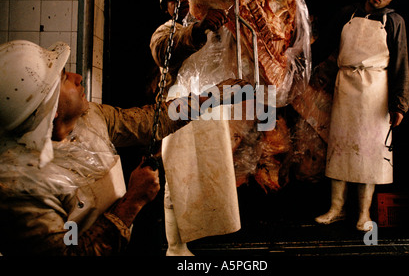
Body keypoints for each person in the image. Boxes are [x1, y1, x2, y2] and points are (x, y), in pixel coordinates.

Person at [0, 39, 244, 255]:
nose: (78, 77)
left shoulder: (89, 117)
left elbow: (150, 121)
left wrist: (212, 97)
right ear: (50, 110)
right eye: (65, 78)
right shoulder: (21, 187)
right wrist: (132, 202)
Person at [150, 0, 240, 256]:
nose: (179, 3)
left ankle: (201, 235)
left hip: (212, 107)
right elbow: (166, 50)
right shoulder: (163, 32)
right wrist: (200, 29)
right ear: (166, 8)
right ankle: (175, 247)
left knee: (213, 173)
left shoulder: (216, 30)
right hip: (177, 109)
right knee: (178, 175)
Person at [312, 0, 409, 231]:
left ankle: (364, 214)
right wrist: (298, 63)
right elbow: (323, 47)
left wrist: (399, 104)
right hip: (345, 85)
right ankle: (336, 209)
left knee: (369, 151)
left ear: (392, 0)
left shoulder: (394, 22)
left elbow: (401, 64)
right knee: (340, 146)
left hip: (376, 90)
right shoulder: (347, 14)